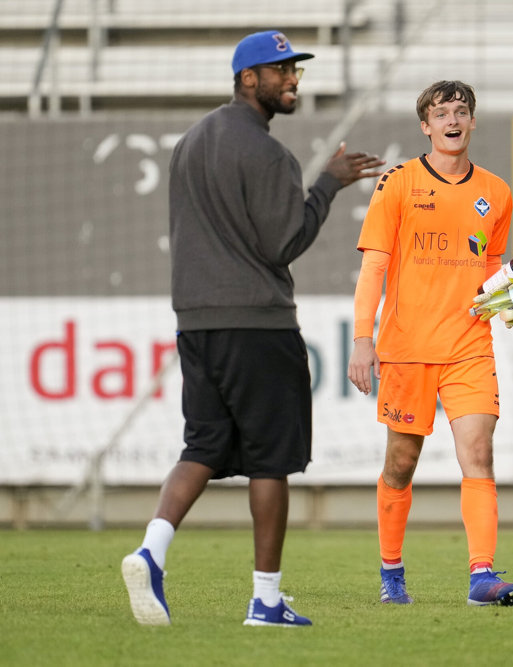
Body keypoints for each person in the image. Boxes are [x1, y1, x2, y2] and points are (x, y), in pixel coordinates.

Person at [120, 29, 384, 627]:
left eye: (296, 70)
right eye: (281, 70)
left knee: (203, 447)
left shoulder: (190, 142)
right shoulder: (269, 155)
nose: (293, 79)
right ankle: (266, 600)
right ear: (247, 80)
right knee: (270, 461)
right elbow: (283, 243)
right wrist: (328, 183)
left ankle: (151, 551)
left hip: (197, 324)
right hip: (258, 327)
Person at [347, 80, 513, 607]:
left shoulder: (495, 192)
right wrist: (364, 340)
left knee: (478, 452)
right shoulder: (397, 184)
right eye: (442, 112)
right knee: (401, 464)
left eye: (462, 111)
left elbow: (491, 266)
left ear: (473, 123)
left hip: (470, 345)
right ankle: (391, 571)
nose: (453, 119)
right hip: (406, 348)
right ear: (425, 126)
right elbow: (373, 266)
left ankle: (482, 576)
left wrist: (508, 298)